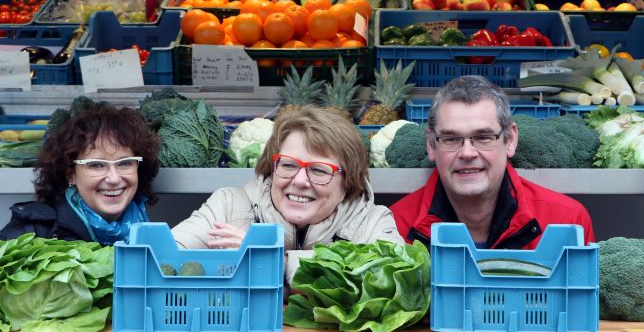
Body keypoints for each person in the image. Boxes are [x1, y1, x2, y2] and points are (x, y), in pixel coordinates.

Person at [172, 105, 404, 284]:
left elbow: (392, 280)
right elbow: (162, 260)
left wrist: (275, 263)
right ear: (272, 168)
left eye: (319, 170)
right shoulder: (228, 205)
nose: (300, 181)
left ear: (349, 182)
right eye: (289, 165)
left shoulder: (373, 220)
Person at [390, 75, 595, 249]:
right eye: (451, 139)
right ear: (431, 145)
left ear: (510, 140)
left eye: (483, 138)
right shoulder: (395, 228)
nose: (467, 153)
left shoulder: (568, 221)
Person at [0, 104, 159, 244]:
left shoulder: (154, 235)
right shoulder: (31, 232)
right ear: (71, 174)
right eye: (96, 165)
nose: (114, 178)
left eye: (125, 163)